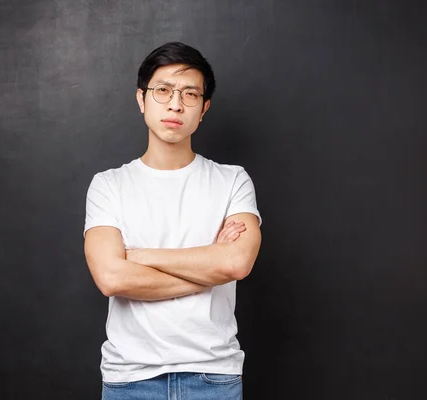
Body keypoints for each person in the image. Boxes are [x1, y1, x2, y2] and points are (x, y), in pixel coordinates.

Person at [83, 41, 262, 400]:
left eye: (190, 94)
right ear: (141, 99)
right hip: (129, 379)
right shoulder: (108, 185)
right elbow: (111, 277)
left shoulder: (233, 180)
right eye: (163, 90)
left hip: (214, 376)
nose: (175, 104)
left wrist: (139, 256)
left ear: (204, 108)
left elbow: (237, 262)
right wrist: (210, 263)